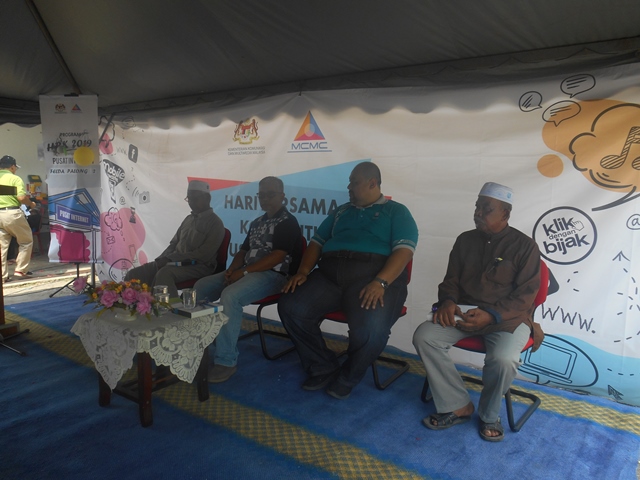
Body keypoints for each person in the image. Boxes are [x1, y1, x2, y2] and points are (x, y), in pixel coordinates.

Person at [412, 182, 543, 442]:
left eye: (486, 209)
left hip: (507, 319)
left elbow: (525, 297)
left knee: (504, 358)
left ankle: (489, 414)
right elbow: (450, 281)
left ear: (505, 214)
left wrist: (492, 315)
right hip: (465, 313)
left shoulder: (525, 246)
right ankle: (458, 404)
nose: (478, 213)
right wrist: (448, 302)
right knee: (424, 336)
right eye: (477, 207)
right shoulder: (465, 240)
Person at [278, 162, 418, 400]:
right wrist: (303, 271)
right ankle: (322, 365)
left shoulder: (397, 211)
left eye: (354, 182)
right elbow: (317, 243)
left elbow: (404, 251)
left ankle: (348, 376)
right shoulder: (341, 211)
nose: (349, 187)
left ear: (372, 183)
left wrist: (381, 282)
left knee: (372, 330)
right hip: (330, 274)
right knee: (291, 307)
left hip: (373, 277)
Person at [194, 176, 301, 383]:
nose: (265, 199)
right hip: (247, 271)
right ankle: (201, 343)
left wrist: (242, 273)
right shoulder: (257, 222)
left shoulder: (288, 222)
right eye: (262, 195)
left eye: (271, 195)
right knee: (201, 287)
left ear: (282, 196)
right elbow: (243, 251)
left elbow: (277, 257)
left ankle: (226, 361)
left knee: (230, 296)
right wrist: (231, 270)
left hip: (275, 276)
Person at [125, 180, 225, 298]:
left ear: (207, 198)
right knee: (134, 274)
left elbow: (203, 255)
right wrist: (162, 258)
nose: (191, 202)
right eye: (189, 199)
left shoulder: (215, 224)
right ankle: (136, 305)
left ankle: (170, 308)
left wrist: (170, 259)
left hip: (199, 266)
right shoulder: (188, 219)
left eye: (195, 198)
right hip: (175, 262)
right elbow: (173, 244)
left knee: (164, 273)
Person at [0, 155, 37, 282]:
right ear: (12, 167)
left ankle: (2, 276)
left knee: (2, 247)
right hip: (12, 213)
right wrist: (31, 204)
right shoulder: (14, 178)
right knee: (26, 241)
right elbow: (21, 198)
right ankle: (20, 270)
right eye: (15, 168)